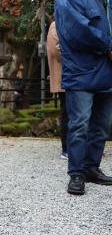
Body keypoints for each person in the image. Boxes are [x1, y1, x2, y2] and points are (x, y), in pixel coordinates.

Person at [55, 0, 112, 195]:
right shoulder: (66, 0)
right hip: (81, 70)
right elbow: (78, 31)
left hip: (107, 70)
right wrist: (109, 46)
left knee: (102, 125)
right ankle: (77, 173)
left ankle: (91, 167)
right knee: (79, 124)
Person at [46, 21, 68, 160]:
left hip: (76, 75)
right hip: (63, 76)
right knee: (67, 113)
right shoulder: (56, 24)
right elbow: (56, 49)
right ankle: (66, 148)